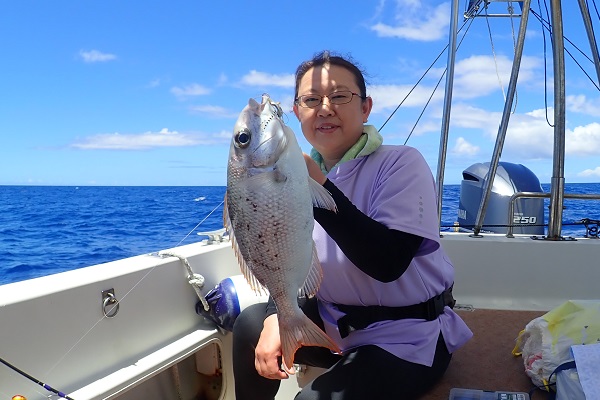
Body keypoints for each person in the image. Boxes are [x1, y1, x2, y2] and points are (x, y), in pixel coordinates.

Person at [232, 50, 473, 399]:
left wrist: (318, 185)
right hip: (335, 325)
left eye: (340, 96)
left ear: (365, 108)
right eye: (311, 99)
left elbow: (389, 263)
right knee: (251, 325)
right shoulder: (290, 175)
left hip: (407, 335)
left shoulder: (401, 163)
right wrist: (276, 315)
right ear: (296, 112)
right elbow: (281, 252)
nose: (325, 108)